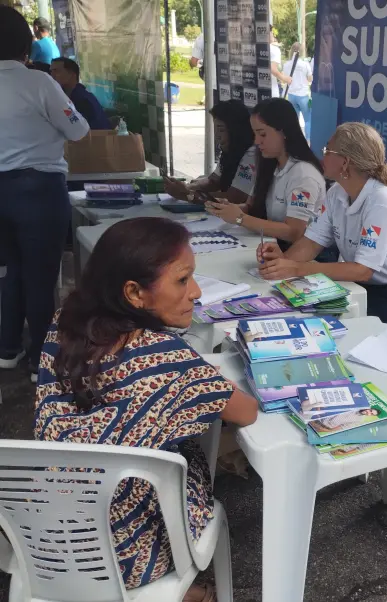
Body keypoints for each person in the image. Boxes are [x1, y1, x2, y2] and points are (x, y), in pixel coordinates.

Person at [34, 217, 259, 599]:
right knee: (192, 451)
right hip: (126, 554)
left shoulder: (64, 323)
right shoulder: (167, 360)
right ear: (134, 293)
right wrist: (207, 379)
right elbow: (246, 412)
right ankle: (183, 590)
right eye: (182, 280)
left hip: (42, 534)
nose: (196, 292)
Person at [256, 122, 387, 324]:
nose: (322, 155)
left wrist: (295, 269)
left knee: (331, 323)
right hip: (362, 285)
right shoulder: (336, 193)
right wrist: (282, 262)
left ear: (345, 162)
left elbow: (362, 270)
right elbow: (312, 242)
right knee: (302, 312)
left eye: (328, 150)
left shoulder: (381, 200)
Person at [0, 7, 89, 382]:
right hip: (38, 189)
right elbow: (78, 130)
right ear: (26, 44)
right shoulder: (39, 82)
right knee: (41, 276)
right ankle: (41, 358)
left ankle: (8, 348)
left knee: (8, 271)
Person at [205, 98, 325, 249]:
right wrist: (228, 209)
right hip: (269, 247)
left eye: (262, 134)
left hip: (296, 254)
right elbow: (252, 208)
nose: (257, 141)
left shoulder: (303, 174)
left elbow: (295, 232)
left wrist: (240, 218)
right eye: (255, 134)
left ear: (283, 132)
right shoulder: (269, 165)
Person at [164, 100, 257, 205]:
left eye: (221, 130)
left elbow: (234, 198)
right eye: (215, 129)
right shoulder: (230, 150)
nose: (217, 136)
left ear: (236, 131)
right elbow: (213, 181)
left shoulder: (251, 154)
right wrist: (187, 187)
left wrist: (188, 195)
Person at [50, 57, 112, 130]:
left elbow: (79, 129)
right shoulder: (73, 95)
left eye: (56, 71)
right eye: (51, 71)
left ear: (71, 74)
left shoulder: (81, 99)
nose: (52, 75)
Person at [283, 42, 312, 140]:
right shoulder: (305, 64)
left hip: (291, 95)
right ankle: (308, 141)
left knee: (294, 121)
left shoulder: (286, 64)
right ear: (302, 51)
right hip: (303, 95)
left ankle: (295, 140)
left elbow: (284, 79)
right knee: (308, 120)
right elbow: (310, 79)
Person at [270, 28, 291, 98]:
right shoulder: (274, 50)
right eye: (272, 33)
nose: (273, 35)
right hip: (271, 92)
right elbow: (272, 68)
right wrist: (284, 78)